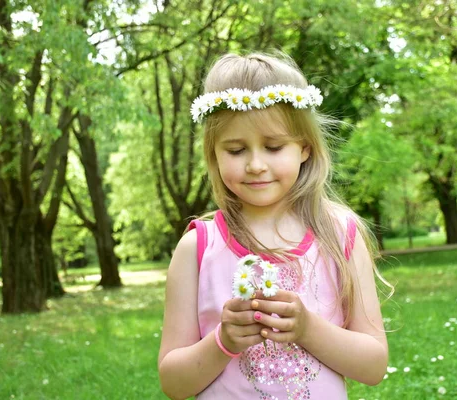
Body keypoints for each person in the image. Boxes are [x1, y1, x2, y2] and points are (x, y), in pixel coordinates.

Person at [158, 52, 392, 400]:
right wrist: (222, 342)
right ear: (213, 155)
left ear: (305, 148)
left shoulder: (339, 234)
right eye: (236, 150)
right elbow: (174, 384)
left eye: (273, 146)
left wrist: (308, 329)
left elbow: (373, 367)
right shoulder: (198, 248)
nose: (255, 164)